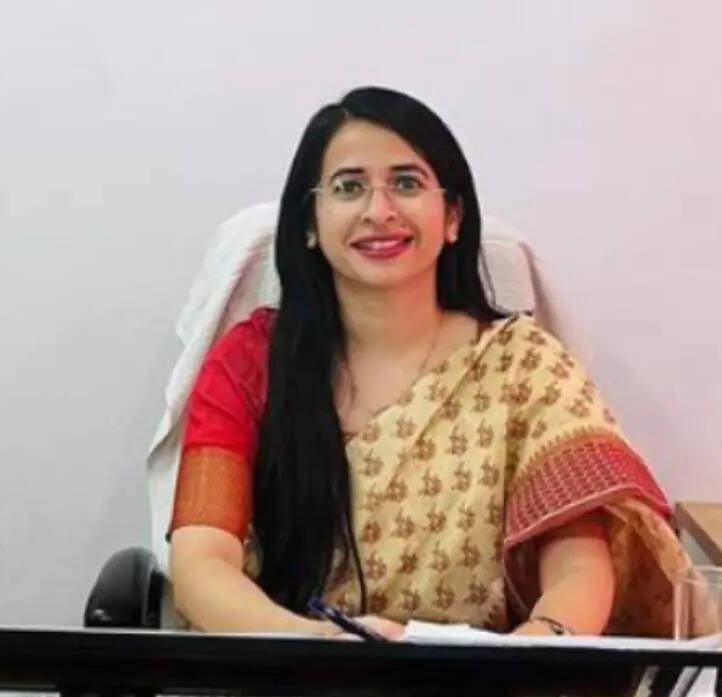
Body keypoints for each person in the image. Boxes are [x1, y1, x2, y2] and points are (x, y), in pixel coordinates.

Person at [168, 87, 689, 639]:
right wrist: (322, 645)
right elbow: (201, 564)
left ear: (453, 216)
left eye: (407, 183)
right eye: (348, 187)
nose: (379, 211)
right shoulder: (251, 362)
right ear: (310, 224)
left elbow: (579, 570)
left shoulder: (522, 367)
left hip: (484, 676)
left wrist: (528, 651)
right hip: (294, 667)